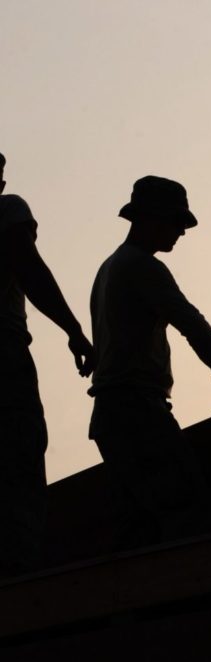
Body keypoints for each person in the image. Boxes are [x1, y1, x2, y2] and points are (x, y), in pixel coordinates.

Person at [89, 175, 211, 550]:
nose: (181, 232)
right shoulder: (142, 267)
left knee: (140, 529)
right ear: (152, 219)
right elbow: (192, 325)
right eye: (176, 223)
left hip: (111, 416)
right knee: (189, 513)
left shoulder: (108, 268)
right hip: (136, 411)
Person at [0, 151, 94, 576]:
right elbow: (31, 270)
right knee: (19, 455)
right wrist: (73, 328)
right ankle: (21, 572)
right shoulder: (7, 211)